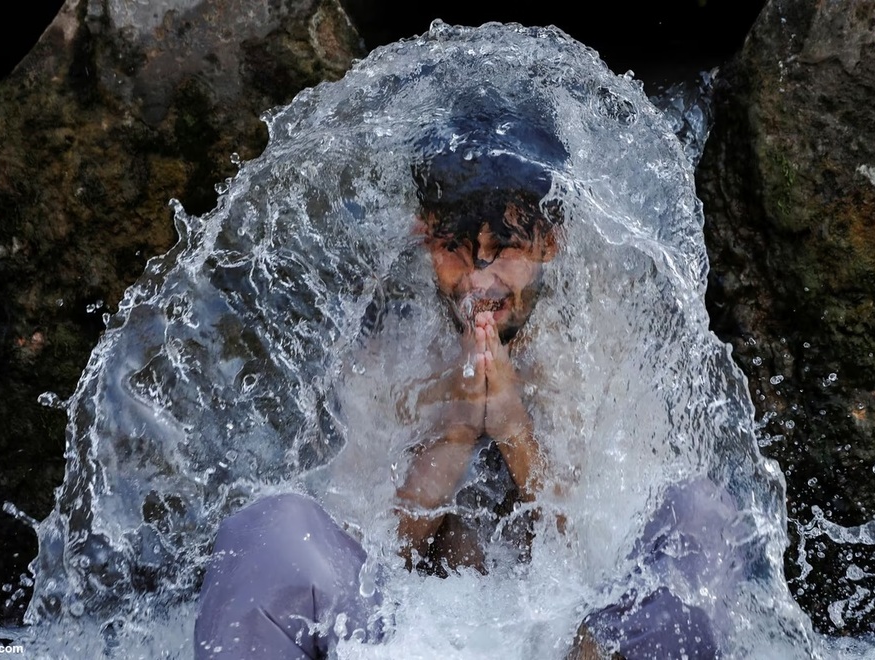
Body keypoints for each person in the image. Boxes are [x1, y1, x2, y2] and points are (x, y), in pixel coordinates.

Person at [195, 102, 732, 659]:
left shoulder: (602, 357)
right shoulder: (389, 361)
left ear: (550, 242)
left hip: (571, 647)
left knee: (700, 516)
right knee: (270, 529)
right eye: (456, 250)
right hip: (415, 642)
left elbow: (609, 569)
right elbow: (353, 567)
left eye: (505, 251)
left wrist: (513, 427)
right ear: (425, 237)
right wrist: (451, 438)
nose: (479, 280)